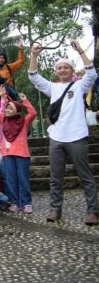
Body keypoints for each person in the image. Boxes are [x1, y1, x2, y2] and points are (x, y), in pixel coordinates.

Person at [28, 40, 98, 226]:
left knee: (85, 175)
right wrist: (34, 55)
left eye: (66, 68)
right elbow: (33, 76)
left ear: (72, 70)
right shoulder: (53, 87)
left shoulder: (80, 86)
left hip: (77, 136)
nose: (63, 70)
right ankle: (55, 209)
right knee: (55, 176)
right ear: (55, 72)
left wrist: (81, 50)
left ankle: (92, 211)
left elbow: (91, 72)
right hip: (57, 137)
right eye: (59, 68)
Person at [0, 89, 37, 213]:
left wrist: (25, 100)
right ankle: (15, 202)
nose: (7, 110)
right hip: (7, 154)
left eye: (10, 108)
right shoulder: (3, 120)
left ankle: (26, 203)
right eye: (6, 108)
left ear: (17, 110)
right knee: (11, 179)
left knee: (23, 179)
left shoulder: (24, 121)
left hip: (22, 154)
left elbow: (33, 113)